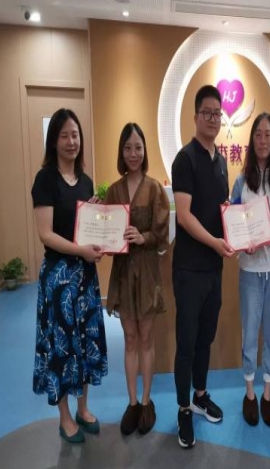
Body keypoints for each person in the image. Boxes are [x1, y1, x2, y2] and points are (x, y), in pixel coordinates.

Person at [31, 108, 108, 443]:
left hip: (85, 277)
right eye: (64, 135)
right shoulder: (45, 179)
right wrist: (81, 250)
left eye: (75, 135)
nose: (71, 141)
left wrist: (98, 223)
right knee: (61, 348)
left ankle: (83, 407)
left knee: (86, 342)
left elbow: (85, 228)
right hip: (58, 278)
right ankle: (64, 417)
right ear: (54, 141)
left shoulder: (86, 181)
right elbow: (45, 234)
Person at [171, 85, 234, 449]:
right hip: (189, 269)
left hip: (214, 268)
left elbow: (222, 211)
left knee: (206, 337)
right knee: (186, 341)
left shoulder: (221, 161)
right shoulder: (185, 159)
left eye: (217, 113)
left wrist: (239, 230)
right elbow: (184, 216)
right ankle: (183, 408)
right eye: (207, 113)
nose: (213, 119)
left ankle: (200, 394)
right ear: (195, 117)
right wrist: (214, 242)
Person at [230, 112, 270, 427]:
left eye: (268, 134)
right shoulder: (241, 181)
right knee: (249, 334)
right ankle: (249, 393)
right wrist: (244, 241)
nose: (263, 140)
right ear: (252, 139)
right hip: (250, 271)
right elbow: (233, 220)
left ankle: (267, 392)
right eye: (258, 134)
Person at [105, 123, 170, 436]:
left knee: (146, 338)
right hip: (122, 272)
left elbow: (162, 233)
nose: (133, 153)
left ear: (145, 151)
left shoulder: (155, 188)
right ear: (122, 151)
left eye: (138, 147)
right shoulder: (113, 191)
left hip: (146, 272)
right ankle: (131, 402)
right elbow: (105, 231)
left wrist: (143, 237)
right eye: (128, 148)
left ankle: (146, 401)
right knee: (129, 338)